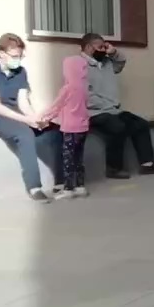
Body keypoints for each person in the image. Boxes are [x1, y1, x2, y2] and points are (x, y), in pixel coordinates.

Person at [0, 34, 62, 203]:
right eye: (15, 56)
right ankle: (34, 186)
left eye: (20, 56)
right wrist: (26, 121)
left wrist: (35, 118)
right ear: (2, 54)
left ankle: (61, 181)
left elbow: (23, 102)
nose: (18, 60)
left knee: (55, 131)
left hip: (14, 112)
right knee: (24, 134)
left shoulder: (21, 72)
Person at [82, 33, 154, 179]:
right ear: (88, 47)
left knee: (140, 124)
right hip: (94, 112)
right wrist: (109, 105)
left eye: (105, 47)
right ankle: (113, 168)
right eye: (100, 47)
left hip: (113, 110)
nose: (103, 50)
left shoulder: (106, 63)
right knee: (117, 127)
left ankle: (147, 164)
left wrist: (114, 52)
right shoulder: (79, 65)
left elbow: (121, 63)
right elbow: (85, 95)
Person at [42, 55, 92, 200]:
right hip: (84, 128)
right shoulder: (84, 87)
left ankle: (68, 189)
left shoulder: (68, 88)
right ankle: (80, 186)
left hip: (70, 129)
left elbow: (56, 106)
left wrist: (43, 117)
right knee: (78, 159)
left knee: (68, 158)